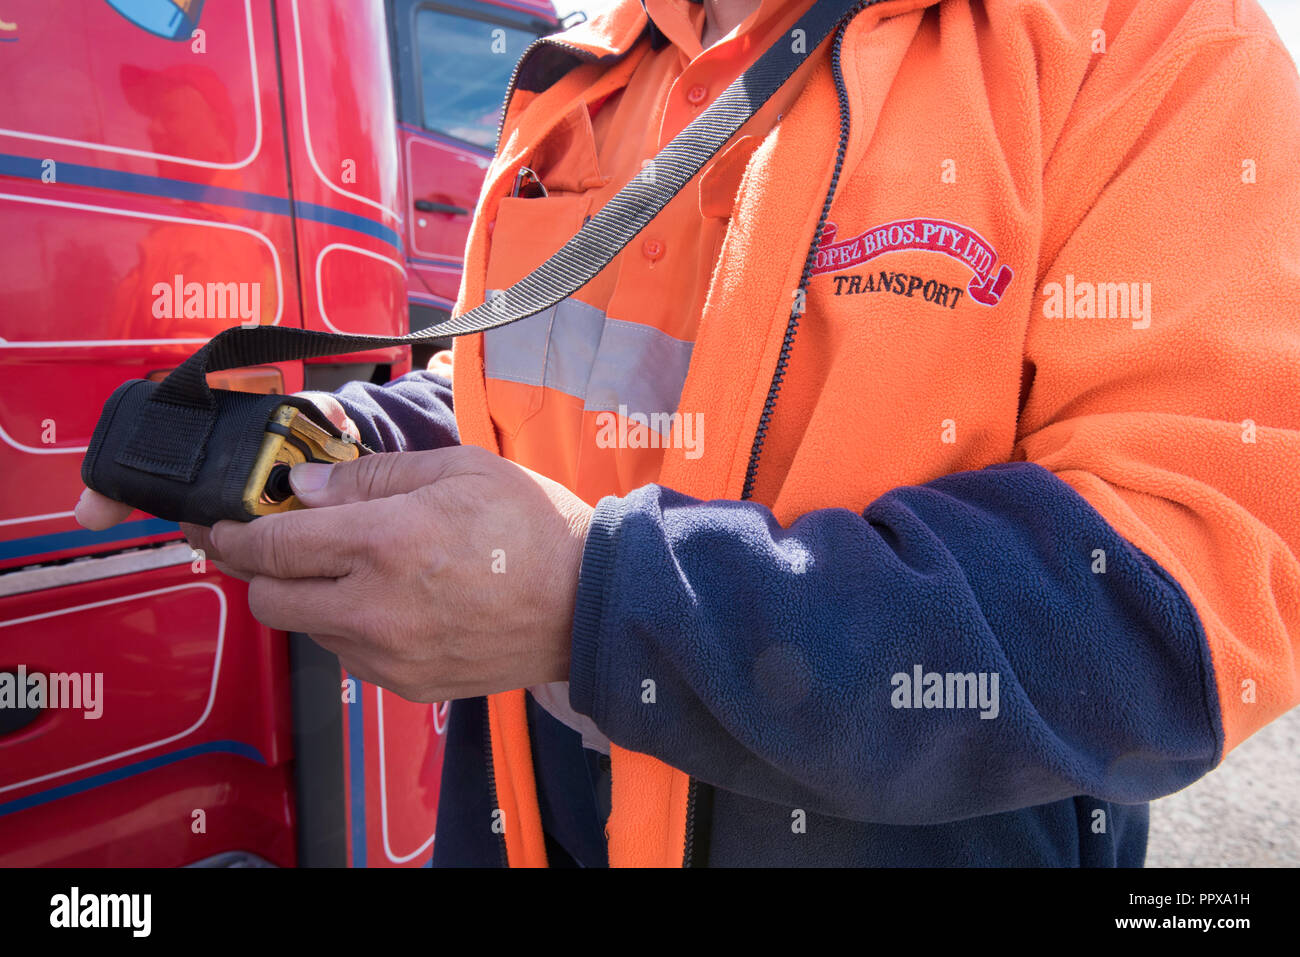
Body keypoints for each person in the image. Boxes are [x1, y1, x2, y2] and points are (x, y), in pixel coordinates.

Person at [78, 0, 1300, 867]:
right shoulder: (592, 75)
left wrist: (600, 604)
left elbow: (1177, 607)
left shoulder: (1151, 39)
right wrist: (337, 436)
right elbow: (538, 395)